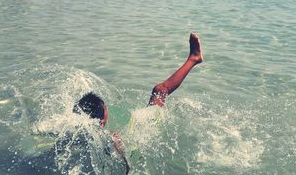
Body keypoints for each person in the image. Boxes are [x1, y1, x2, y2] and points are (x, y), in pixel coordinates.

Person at [73, 33, 203, 174]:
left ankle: (194, 59)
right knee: (160, 89)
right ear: (103, 110)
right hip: (150, 120)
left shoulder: (93, 130)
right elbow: (125, 157)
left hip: (137, 123)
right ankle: (194, 58)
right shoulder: (111, 135)